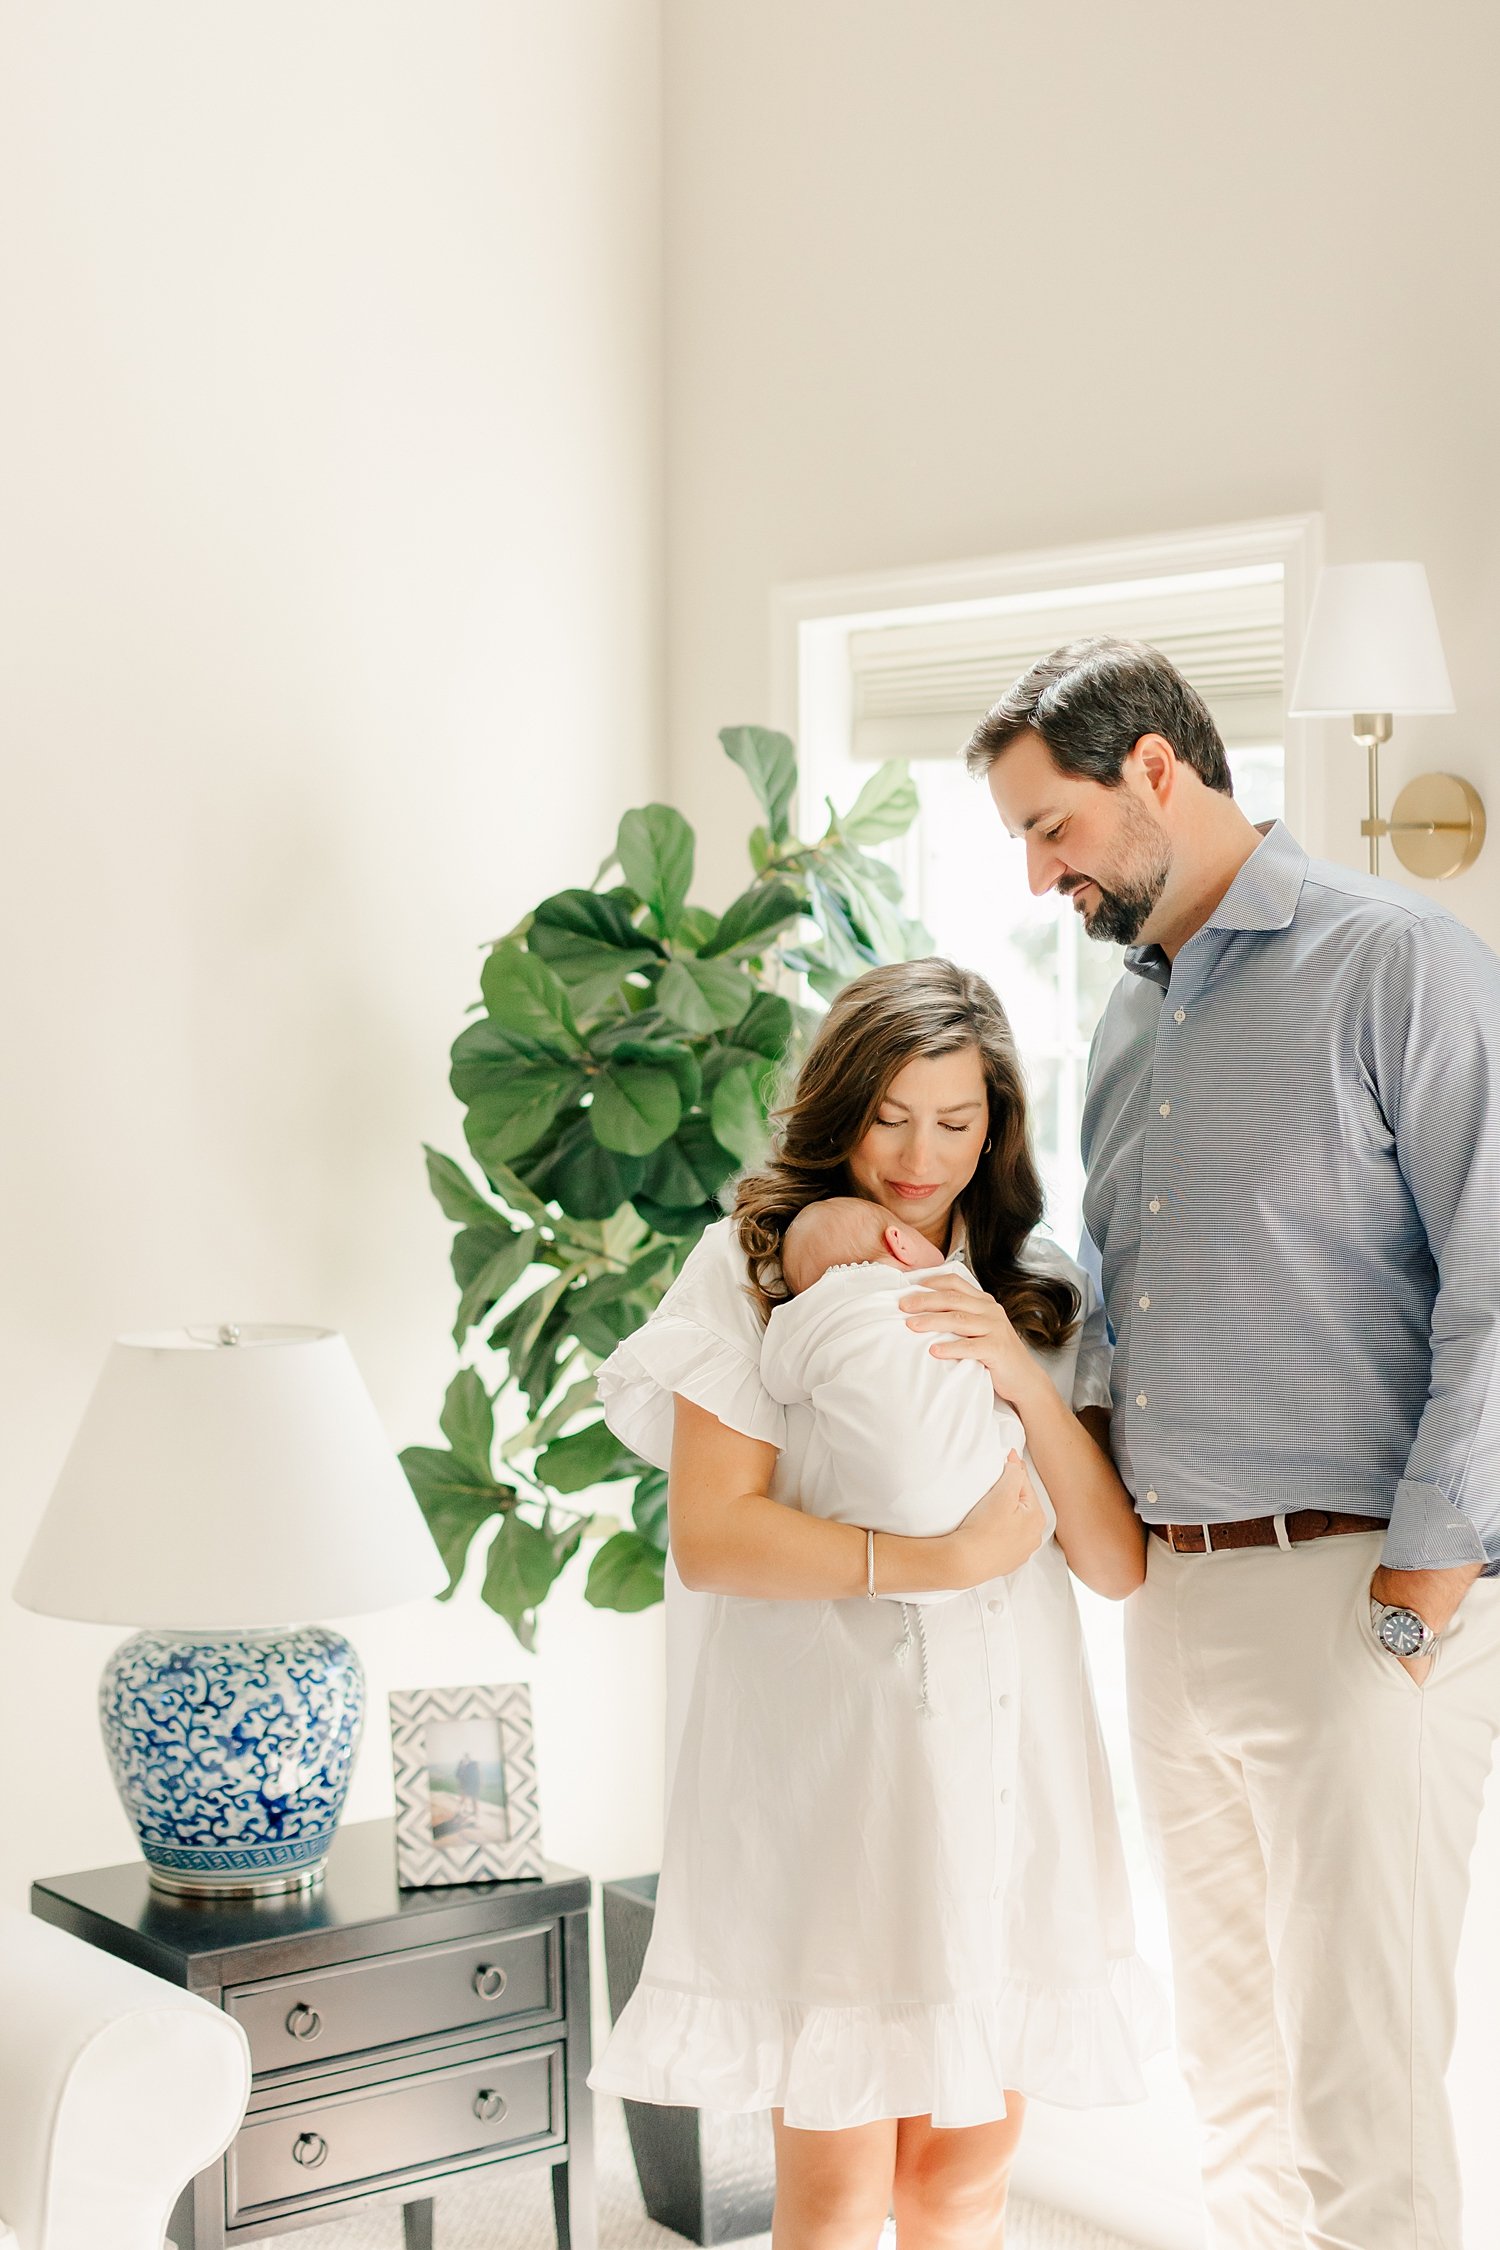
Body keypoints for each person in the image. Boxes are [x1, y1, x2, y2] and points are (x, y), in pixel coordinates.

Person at [966, 634, 1500, 2250]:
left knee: (1360, 2077)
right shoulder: (1129, 1030)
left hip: (1363, 1594)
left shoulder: (1398, 958)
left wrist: (1419, 1589)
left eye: (1050, 826)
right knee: (1235, 2076)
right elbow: (1137, 1309)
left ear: (1154, 771)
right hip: (1180, 1604)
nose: (1041, 871)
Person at [587, 959, 1163, 2250]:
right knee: (841, 2184)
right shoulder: (755, 1269)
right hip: (836, 1762)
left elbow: (1114, 1561)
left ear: (998, 1125)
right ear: (838, 1107)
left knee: (964, 2175)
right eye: (890, 1114)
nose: (921, 1154)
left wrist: (1014, 1364)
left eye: (956, 1121)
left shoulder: (1036, 1276)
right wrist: (935, 1562)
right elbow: (714, 1535)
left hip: (1010, 1760)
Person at [762, 1195, 1030, 1612]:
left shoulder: (802, 1319)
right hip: (979, 1494)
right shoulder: (949, 1282)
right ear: (899, 1242)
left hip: (869, 1528)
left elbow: (778, 1385)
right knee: (987, 1408)